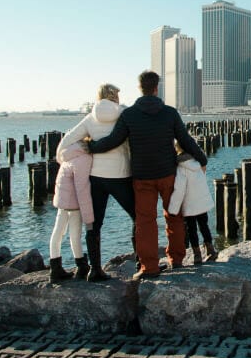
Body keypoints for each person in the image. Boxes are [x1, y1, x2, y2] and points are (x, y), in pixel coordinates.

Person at [88, 71, 208, 280]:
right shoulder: (170, 113)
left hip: (142, 177)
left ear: (139, 88)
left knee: (145, 222)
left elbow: (113, 141)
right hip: (168, 174)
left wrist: (91, 146)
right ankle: (177, 260)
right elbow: (185, 140)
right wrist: (202, 159)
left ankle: (149, 267)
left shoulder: (129, 115)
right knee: (174, 215)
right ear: (156, 88)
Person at [57, 83, 134, 281]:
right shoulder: (124, 113)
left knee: (93, 224)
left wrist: (70, 155)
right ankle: (141, 261)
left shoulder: (90, 118)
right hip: (121, 175)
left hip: (96, 177)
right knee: (138, 217)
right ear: (114, 96)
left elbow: (66, 142)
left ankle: (95, 269)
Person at [49, 140, 94, 283]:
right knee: (75, 235)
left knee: (58, 233)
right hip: (73, 203)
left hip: (63, 201)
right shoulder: (84, 159)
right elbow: (82, 188)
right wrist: (89, 216)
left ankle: (55, 267)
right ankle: (81, 265)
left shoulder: (68, 155)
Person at [168, 140, 218, 264]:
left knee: (191, 229)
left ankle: (197, 255)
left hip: (189, 206)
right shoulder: (198, 164)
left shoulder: (180, 169)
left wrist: (172, 209)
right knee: (204, 225)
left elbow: (179, 190)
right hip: (201, 203)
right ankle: (211, 250)